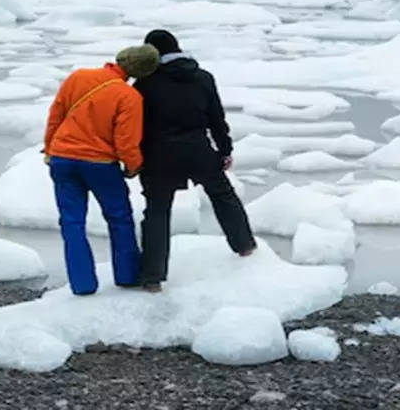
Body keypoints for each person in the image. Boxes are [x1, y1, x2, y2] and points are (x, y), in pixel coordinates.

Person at [134, 29, 255, 293]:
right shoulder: (202, 77)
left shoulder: (145, 83)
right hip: (198, 149)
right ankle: (245, 247)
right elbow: (216, 117)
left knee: (157, 212)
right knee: (223, 196)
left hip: (158, 155)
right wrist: (225, 149)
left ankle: (152, 278)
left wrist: (135, 157)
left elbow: (136, 126)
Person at [43, 45, 161, 295]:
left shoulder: (78, 76)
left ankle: (82, 284)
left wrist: (49, 149)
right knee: (119, 219)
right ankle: (127, 275)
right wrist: (133, 167)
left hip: (62, 159)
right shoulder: (129, 97)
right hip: (100, 164)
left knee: (71, 223)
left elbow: (56, 115)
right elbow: (126, 141)